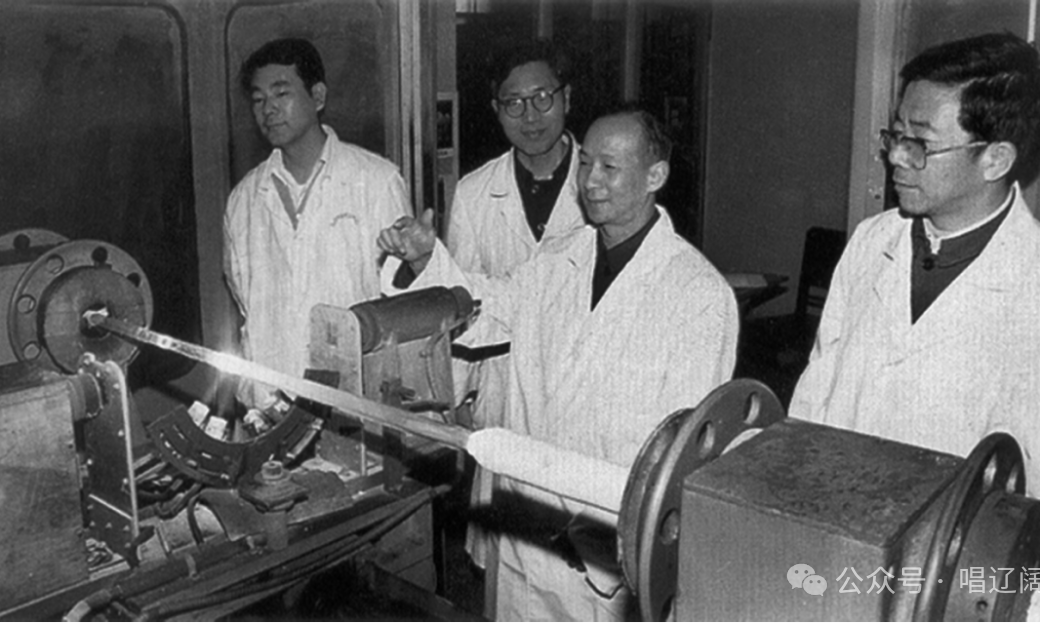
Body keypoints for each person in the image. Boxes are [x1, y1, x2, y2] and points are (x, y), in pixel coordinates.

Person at [379, 109, 739, 620]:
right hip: (523, 529)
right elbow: (486, 310)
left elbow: (680, 455)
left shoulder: (698, 294)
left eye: (609, 167)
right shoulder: (555, 261)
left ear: (654, 176)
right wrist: (425, 259)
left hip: (602, 557)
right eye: (585, 163)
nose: (590, 181)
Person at [788, 32, 1040, 613]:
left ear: (995, 159)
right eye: (895, 136)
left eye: (920, 144)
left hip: (951, 596)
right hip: (832, 564)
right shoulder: (871, 243)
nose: (896, 158)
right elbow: (812, 406)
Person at [223, 38, 410, 409]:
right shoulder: (243, 199)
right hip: (269, 405)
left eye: (282, 94)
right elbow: (244, 301)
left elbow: (400, 306)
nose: (269, 109)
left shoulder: (376, 181)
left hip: (354, 407)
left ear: (318, 96)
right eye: (258, 100)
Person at [448, 39, 585, 432]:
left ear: (566, 98)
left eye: (542, 97)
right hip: (501, 397)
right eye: (514, 103)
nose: (530, 116)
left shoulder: (599, 185)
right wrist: (457, 399)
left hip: (580, 392)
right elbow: (461, 303)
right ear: (497, 109)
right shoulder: (474, 193)